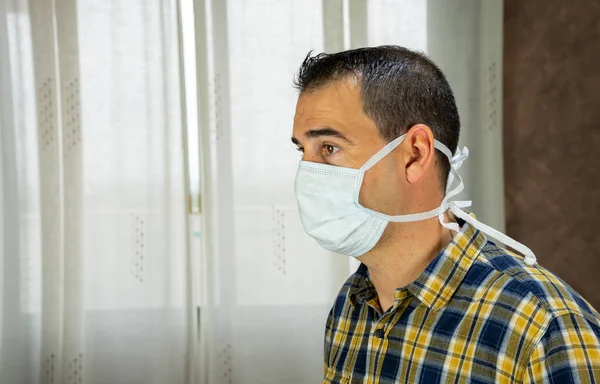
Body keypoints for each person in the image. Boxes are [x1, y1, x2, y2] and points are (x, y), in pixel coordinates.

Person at [291, 46, 600, 383]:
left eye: (329, 148)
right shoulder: (351, 304)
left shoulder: (542, 327)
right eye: (302, 150)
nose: (307, 173)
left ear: (415, 154)